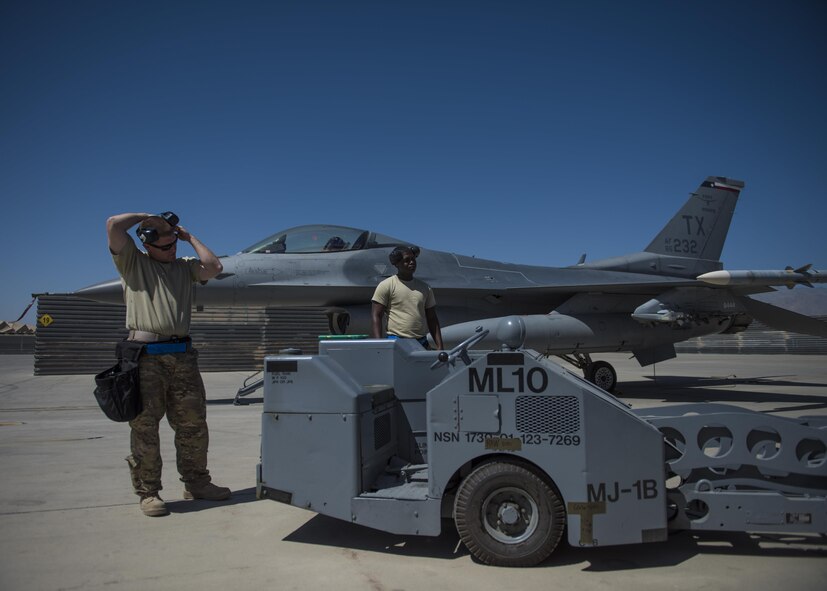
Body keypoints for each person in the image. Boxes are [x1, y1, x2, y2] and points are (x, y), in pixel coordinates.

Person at [106, 211, 231, 517]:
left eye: (173, 243)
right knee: (146, 427)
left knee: (192, 425)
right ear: (147, 245)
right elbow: (112, 225)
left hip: (182, 356)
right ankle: (149, 493)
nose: (170, 250)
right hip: (145, 357)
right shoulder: (133, 262)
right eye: (164, 246)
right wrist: (143, 216)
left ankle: (197, 483)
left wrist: (188, 237)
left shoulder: (185, 268)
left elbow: (214, 266)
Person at [371, 245, 443, 350]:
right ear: (397, 264)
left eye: (413, 259)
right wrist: (379, 346)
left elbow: (432, 318)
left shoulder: (425, 288)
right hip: (397, 343)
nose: (412, 262)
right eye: (407, 260)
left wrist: (440, 346)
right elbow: (376, 316)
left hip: (421, 343)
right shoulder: (386, 285)